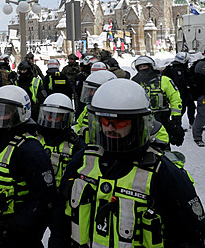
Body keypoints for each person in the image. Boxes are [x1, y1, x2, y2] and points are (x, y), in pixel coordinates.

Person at [48, 79, 205, 247]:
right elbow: (60, 219)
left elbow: (191, 236)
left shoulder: (162, 172)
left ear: (138, 123)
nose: (110, 128)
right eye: (104, 121)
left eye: (119, 122)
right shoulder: (83, 161)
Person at [0, 85, 57, 248]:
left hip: (15, 237)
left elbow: (44, 199)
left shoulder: (30, 149)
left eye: (3, 111)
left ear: (21, 113)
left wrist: (12, 228)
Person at [131, 56, 184, 146]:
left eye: (145, 66)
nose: (143, 69)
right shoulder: (134, 83)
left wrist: (176, 119)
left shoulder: (164, 81)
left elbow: (175, 98)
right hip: (141, 119)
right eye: (140, 67)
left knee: (163, 143)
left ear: (151, 66)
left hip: (162, 118)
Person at [36, 93, 85, 187]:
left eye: (57, 116)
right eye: (50, 116)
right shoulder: (36, 139)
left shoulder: (76, 146)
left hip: (62, 195)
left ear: (66, 117)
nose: (52, 120)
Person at [75, 70, 117, 142]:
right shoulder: (87, 109)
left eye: (93, 90)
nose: (89, 93)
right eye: (88, 90)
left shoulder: (116, 113)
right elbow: (78, 125)